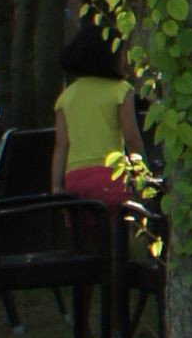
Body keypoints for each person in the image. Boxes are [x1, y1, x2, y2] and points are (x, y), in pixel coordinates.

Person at [52, 18, 144, 209]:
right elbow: (131, 138)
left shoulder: (66, 97)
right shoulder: (121, 90)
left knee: (82, 228)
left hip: (75, 180)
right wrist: (143, 176)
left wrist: (57, 186)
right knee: (119, 226)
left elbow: (61, 145)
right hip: (111, 176)